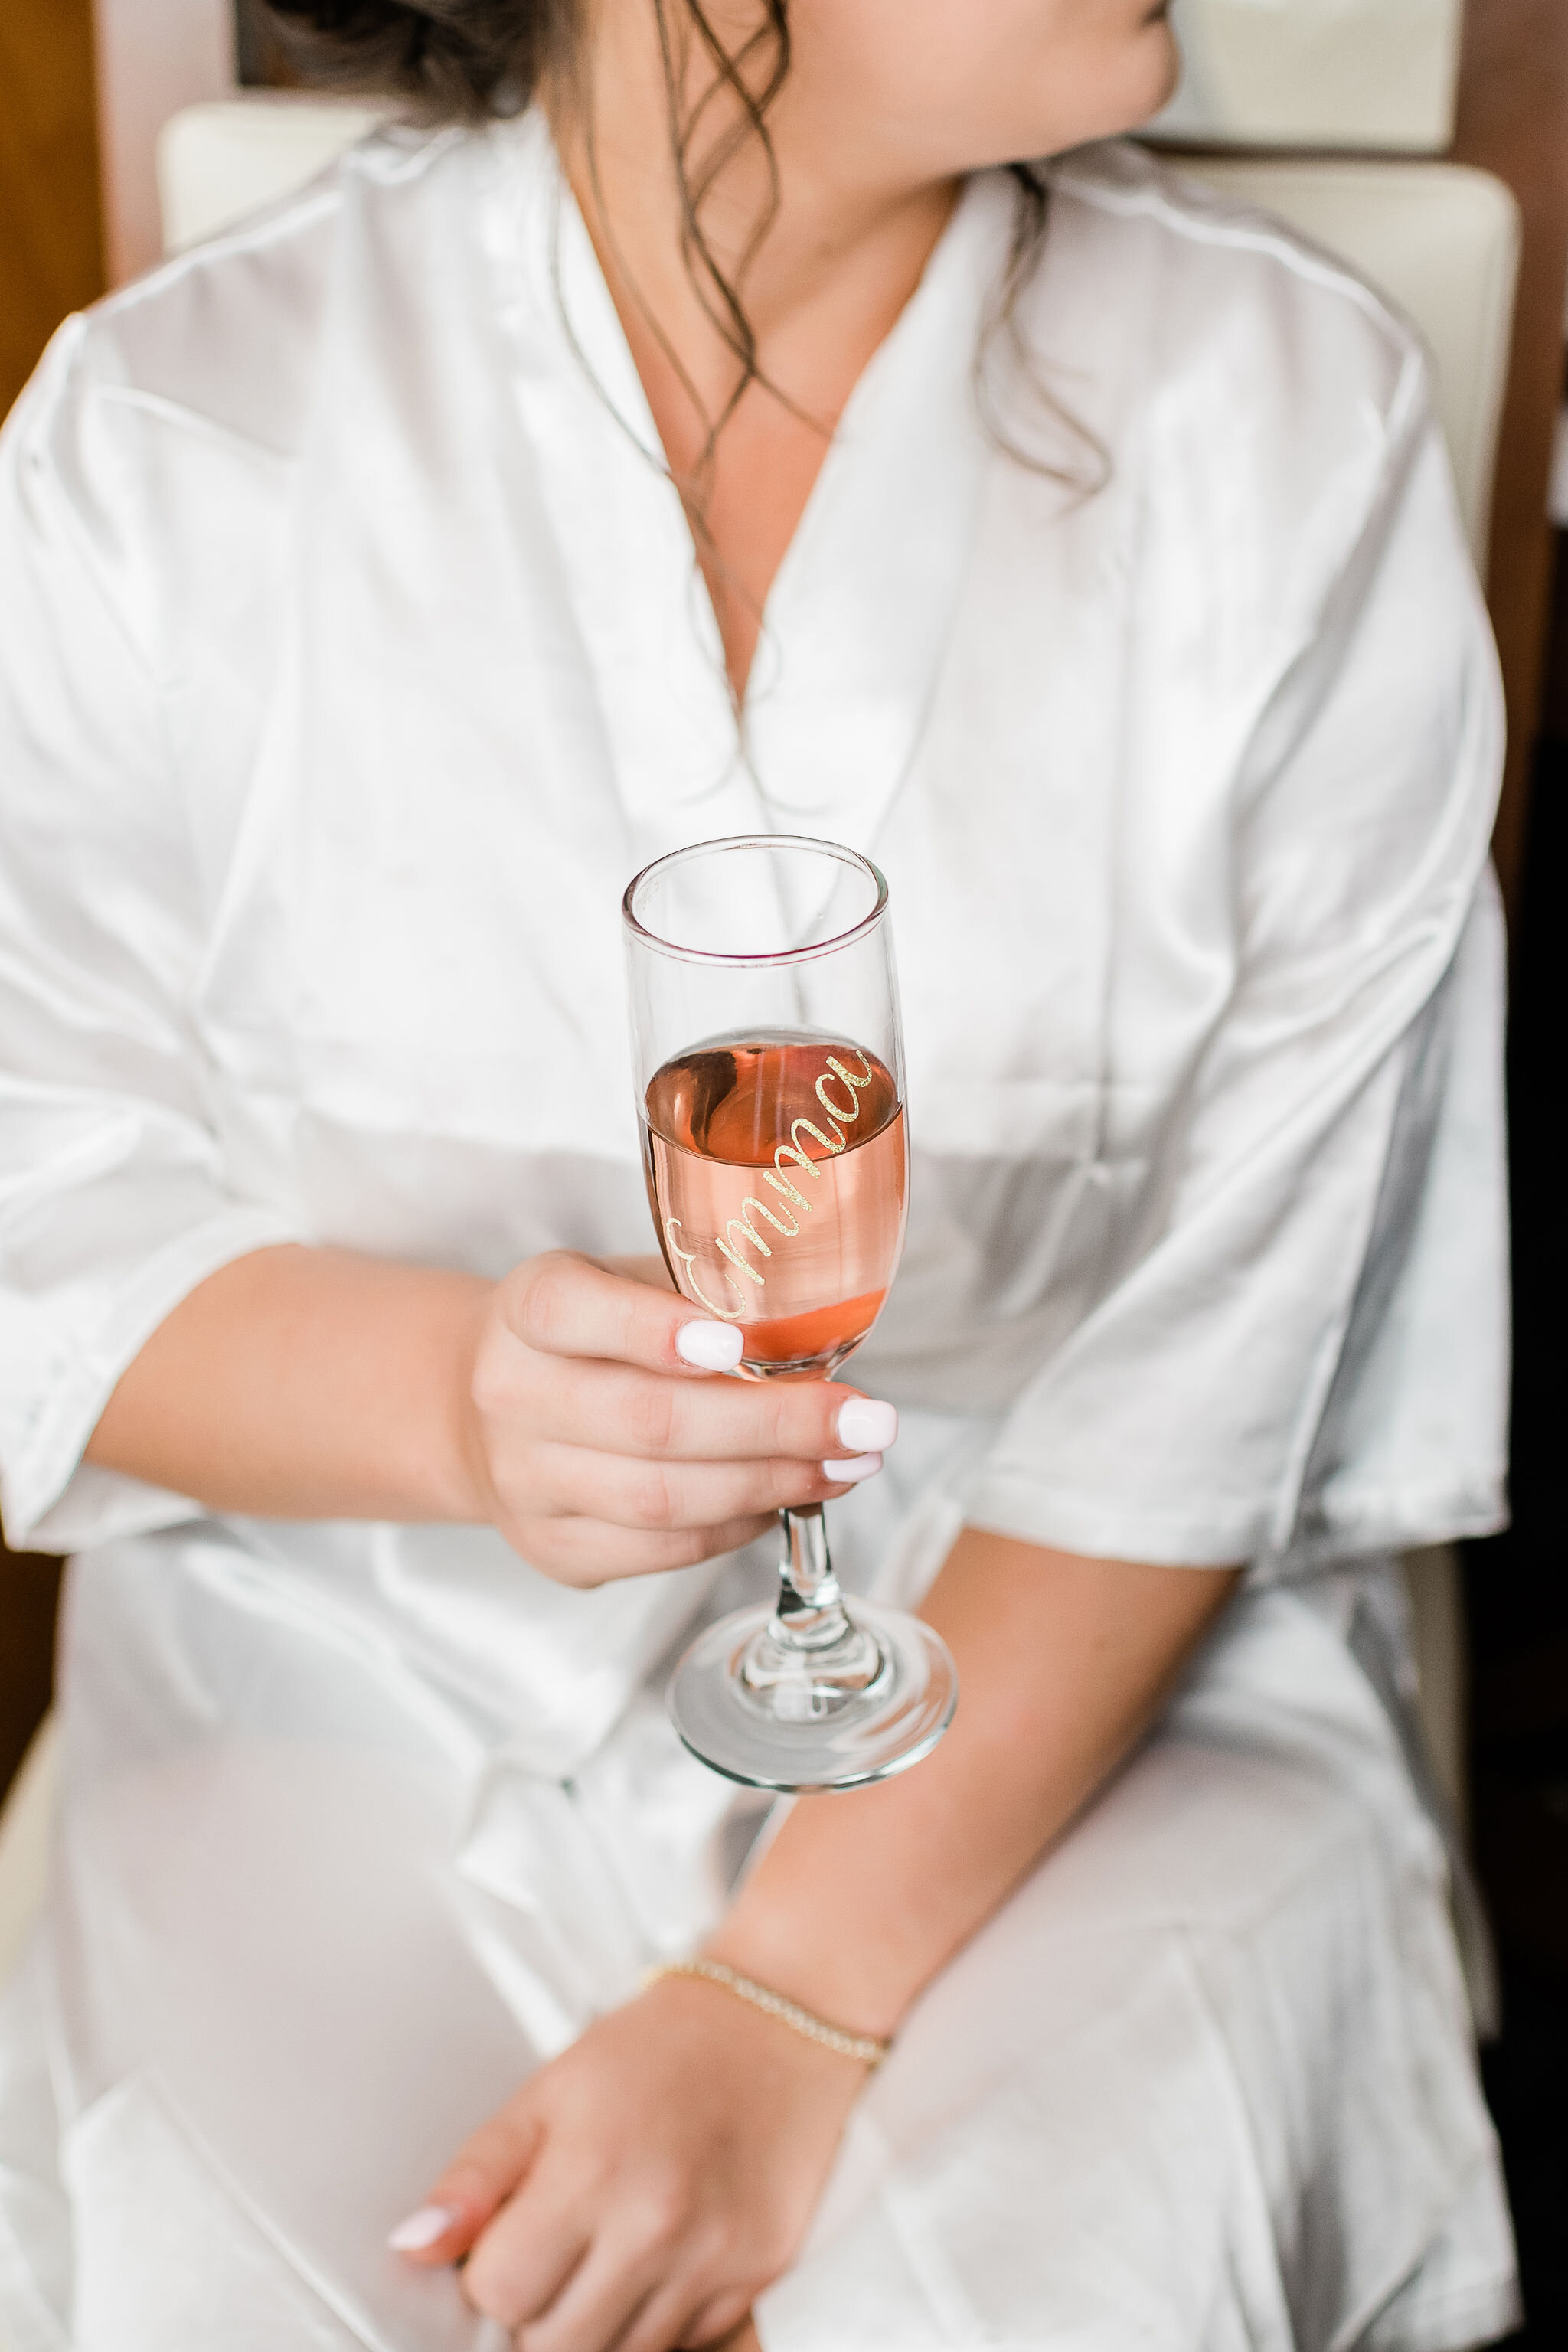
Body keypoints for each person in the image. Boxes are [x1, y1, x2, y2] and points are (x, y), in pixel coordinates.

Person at [0, 0, 1522, 2344]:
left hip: (1086, 1687)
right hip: (338, 1670)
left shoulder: (1282, 419)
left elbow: (1246, 1333)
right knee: (232, 2290)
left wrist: (793, 1999)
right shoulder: (171, 436)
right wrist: (459, 1407)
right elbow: (38, 1225)